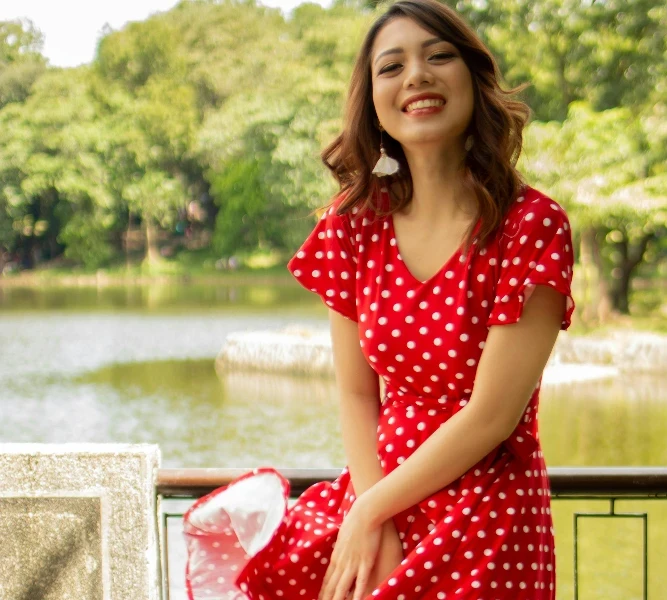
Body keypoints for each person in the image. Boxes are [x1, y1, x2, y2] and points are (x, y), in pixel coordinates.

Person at [182, 1, 574, 598]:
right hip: (378, 490)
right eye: (391, 67)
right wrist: (373, 514)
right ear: (372, 100)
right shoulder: (354, 226)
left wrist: (370, 512)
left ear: (474, 77)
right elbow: (356, 389)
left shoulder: (530, 226)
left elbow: (492, 416)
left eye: (439, 55)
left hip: (488, 514)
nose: (416, 75)